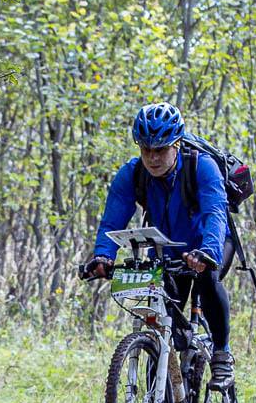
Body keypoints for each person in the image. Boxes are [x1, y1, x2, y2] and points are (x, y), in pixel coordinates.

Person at [79, 102, 234, 387]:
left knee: (207, 279)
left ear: (176, 144)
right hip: (167, 250)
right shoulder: (132, 174)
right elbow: (112, 221)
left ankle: (222, 355)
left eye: (160, 150)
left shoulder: (202, 167)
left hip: (211, 243)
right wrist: (103, 256)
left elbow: (215, 213)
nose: (152, 158)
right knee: (163, 326)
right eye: (146, 149)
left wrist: (207, 253)